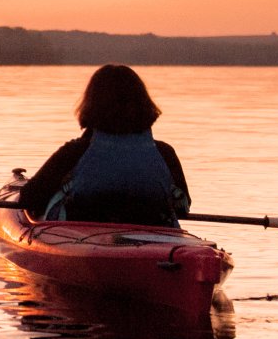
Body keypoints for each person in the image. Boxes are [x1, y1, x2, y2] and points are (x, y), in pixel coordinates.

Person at [18, 64, 191, 225]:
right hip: (154, 236)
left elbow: (29, 199)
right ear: (143, 104)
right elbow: (183, 208)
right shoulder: (164, 153)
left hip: (82, 238)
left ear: (91, 105)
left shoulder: (75, 153)